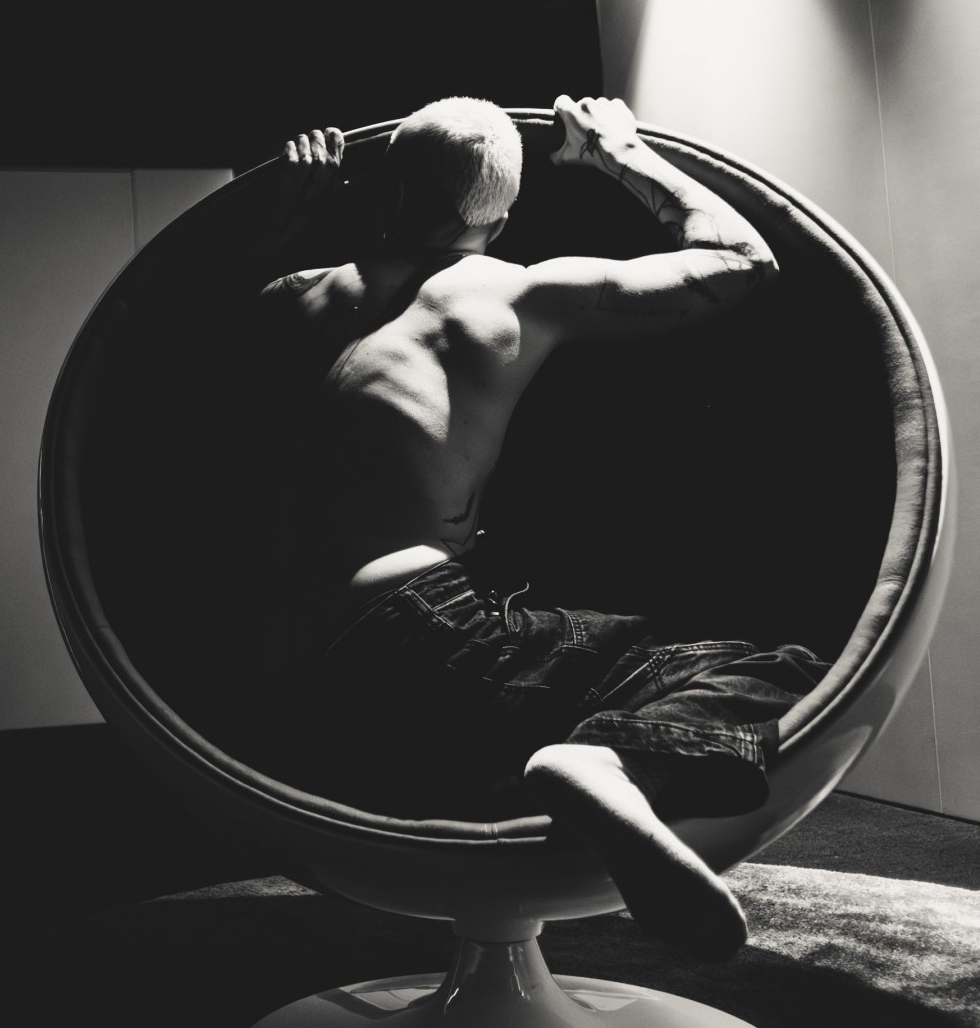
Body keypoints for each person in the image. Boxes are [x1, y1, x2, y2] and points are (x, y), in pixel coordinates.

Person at [258, 95, 829, 962]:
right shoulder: (502, 292)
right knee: (771, 671)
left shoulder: (285, 297)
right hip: (416, 631)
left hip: (290, 680)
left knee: (508, 705)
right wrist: (620, 154)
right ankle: (609, 763)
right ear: (501, 213)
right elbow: (744, 260)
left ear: (386, 187)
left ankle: (562, 779)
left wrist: (285, 212)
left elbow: (155, 335)